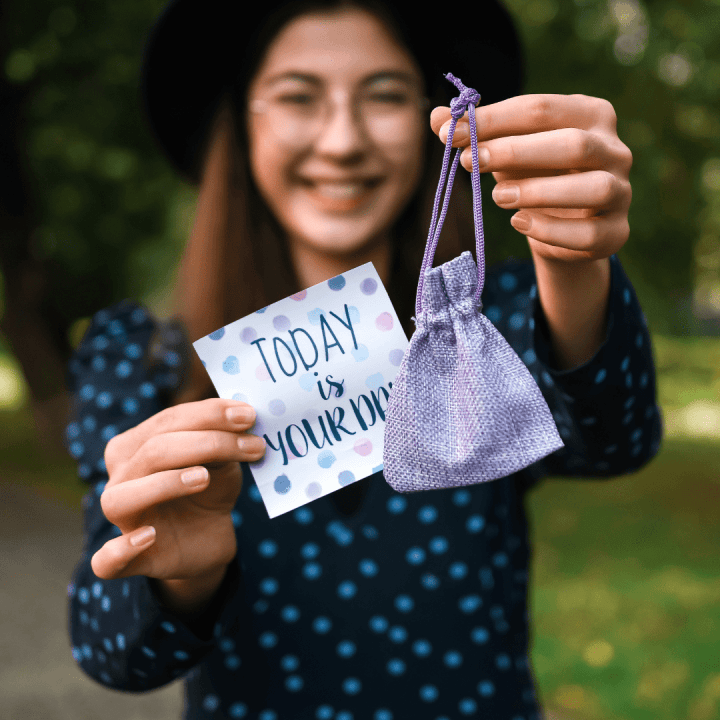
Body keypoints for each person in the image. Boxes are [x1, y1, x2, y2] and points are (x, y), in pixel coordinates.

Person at [64, 0, 663, 718]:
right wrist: (179, 579)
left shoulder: (488, 323)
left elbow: (615, 438)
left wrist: (573, 261)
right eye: (296, 97)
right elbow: (111, 653)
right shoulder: (143, 368)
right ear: (239, 124)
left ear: (433, 121)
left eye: (383, 95)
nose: (343, 140)